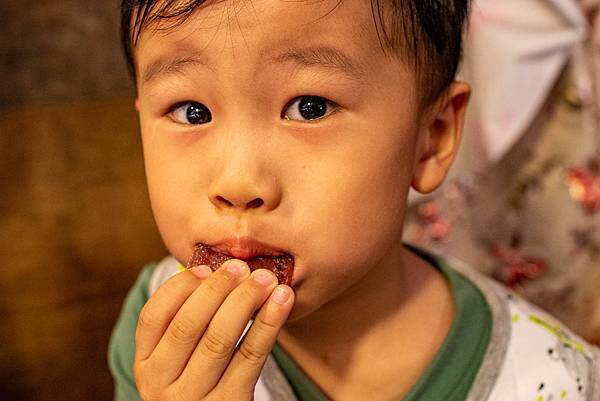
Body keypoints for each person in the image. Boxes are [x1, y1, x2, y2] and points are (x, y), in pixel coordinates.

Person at [108, 0, 600, 400]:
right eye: (192, 112)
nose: (237, 183)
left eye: (310, 108)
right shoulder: (157, 331)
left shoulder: (560, 382)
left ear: (431, 135)